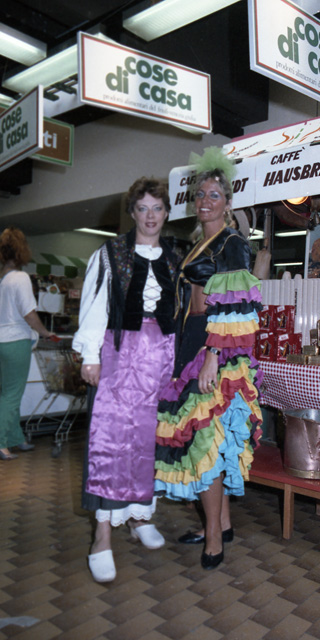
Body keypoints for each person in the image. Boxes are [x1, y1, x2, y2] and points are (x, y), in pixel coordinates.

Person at [155, 148, 263, 570]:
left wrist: (212, 356)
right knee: (210, 439)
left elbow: (236, 307)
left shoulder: (232, 243)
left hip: (214, 345)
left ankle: (214, 538)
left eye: (214, 195)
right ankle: (222, 524)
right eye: (200, 194)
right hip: (192, 341)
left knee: (204, 441)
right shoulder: (200, 243)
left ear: (228, 203)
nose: (205, 201)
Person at [72, 177, 178, 583]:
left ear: (166, 212)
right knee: (110, 441)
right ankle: (101, 536)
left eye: (157, 208)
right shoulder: (110, 253)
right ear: (132, 212)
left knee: (148, 439)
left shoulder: (174, 256)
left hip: (158, 357)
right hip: (118, 353)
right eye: (143, 208)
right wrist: (90, 355)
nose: (150, 216)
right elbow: (95, 304)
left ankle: (139, 515)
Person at [0, 228, 55, 461]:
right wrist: (45, 332)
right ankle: (2, 443)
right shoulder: (20, 278)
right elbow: (29, 314)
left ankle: (15, 437)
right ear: (22, 250)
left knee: (6, 393)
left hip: (1, 341)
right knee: (12, 395)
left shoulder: (3, 280)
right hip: (16, 341)